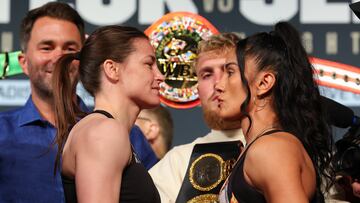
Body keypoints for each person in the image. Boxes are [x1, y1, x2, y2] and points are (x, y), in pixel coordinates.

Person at [216, 22, 334, 203]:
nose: (218, 85)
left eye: (230, 72)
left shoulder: (272, 149)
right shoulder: (261, 147)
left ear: (264, 83)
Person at [52, 25, 164, 202]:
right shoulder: (104, 132)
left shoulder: (107, 130)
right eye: (149, 64)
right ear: (112, 69)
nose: (160, 76)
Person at [0, 2, 85, 202]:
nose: (58, 57)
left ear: (83, 59)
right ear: (24, 62)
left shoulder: (124, 133)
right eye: (47, 47)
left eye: (70, 48)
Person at [149, 33, 245, 203]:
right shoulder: (177, 161)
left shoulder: (281, 145)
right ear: (197, 91)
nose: (218, 83)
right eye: (207, 75)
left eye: (229, 71)